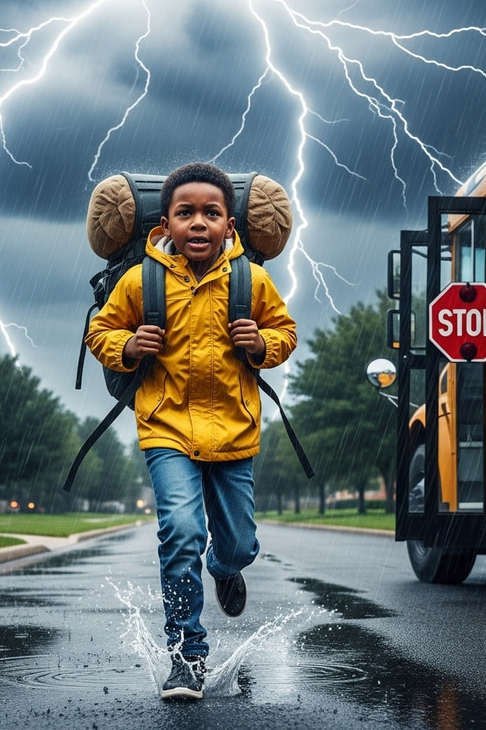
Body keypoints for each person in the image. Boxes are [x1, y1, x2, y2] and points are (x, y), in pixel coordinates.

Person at [84, 162, 297, 700]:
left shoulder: (252, 279)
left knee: (240, 544)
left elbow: (285, 331)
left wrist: (262, 346)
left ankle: (225, 567)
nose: (198, 223)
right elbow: (101, 329)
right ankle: (186, 656)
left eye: (211, 213)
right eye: (185, 213)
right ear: (165, 224)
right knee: (180, 534)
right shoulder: (142, 279)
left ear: (230, 226)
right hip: (167, 429)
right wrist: (127, 348)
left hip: (234, 433)